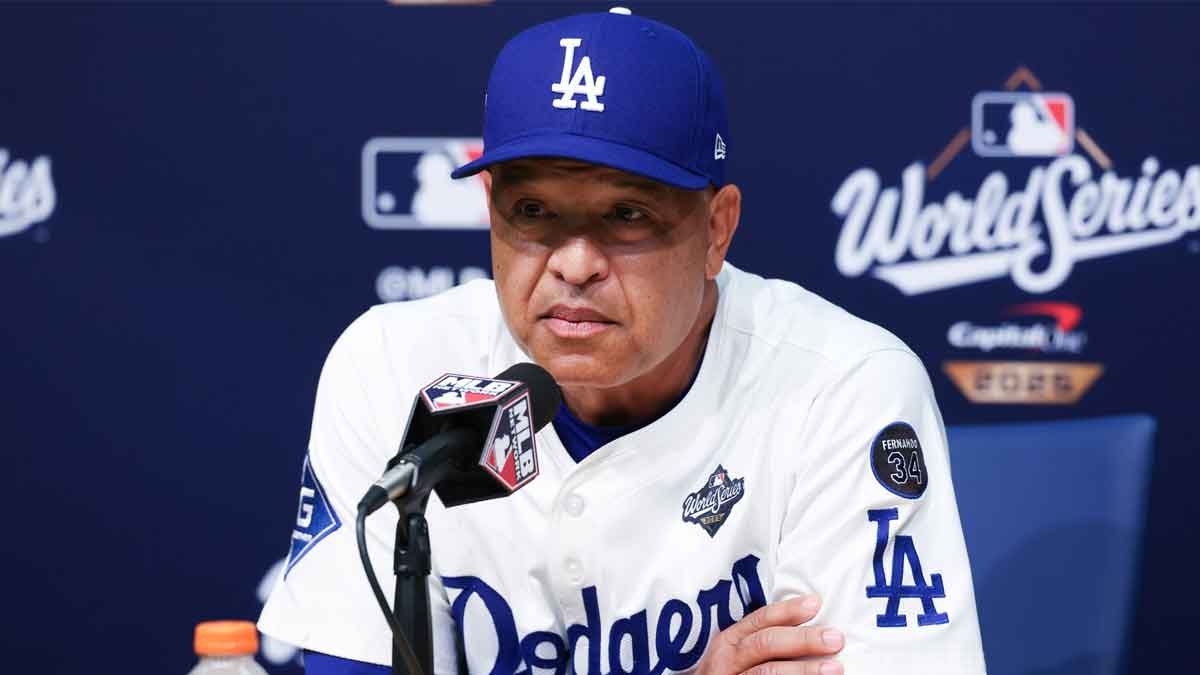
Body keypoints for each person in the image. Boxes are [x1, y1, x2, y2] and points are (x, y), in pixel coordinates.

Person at [259, 8, 986, 675]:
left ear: (717, 230)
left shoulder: (843, 387)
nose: (575, 263)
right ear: (491, 210)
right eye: (533, 210)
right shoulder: (392, 367)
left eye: (627, 214)